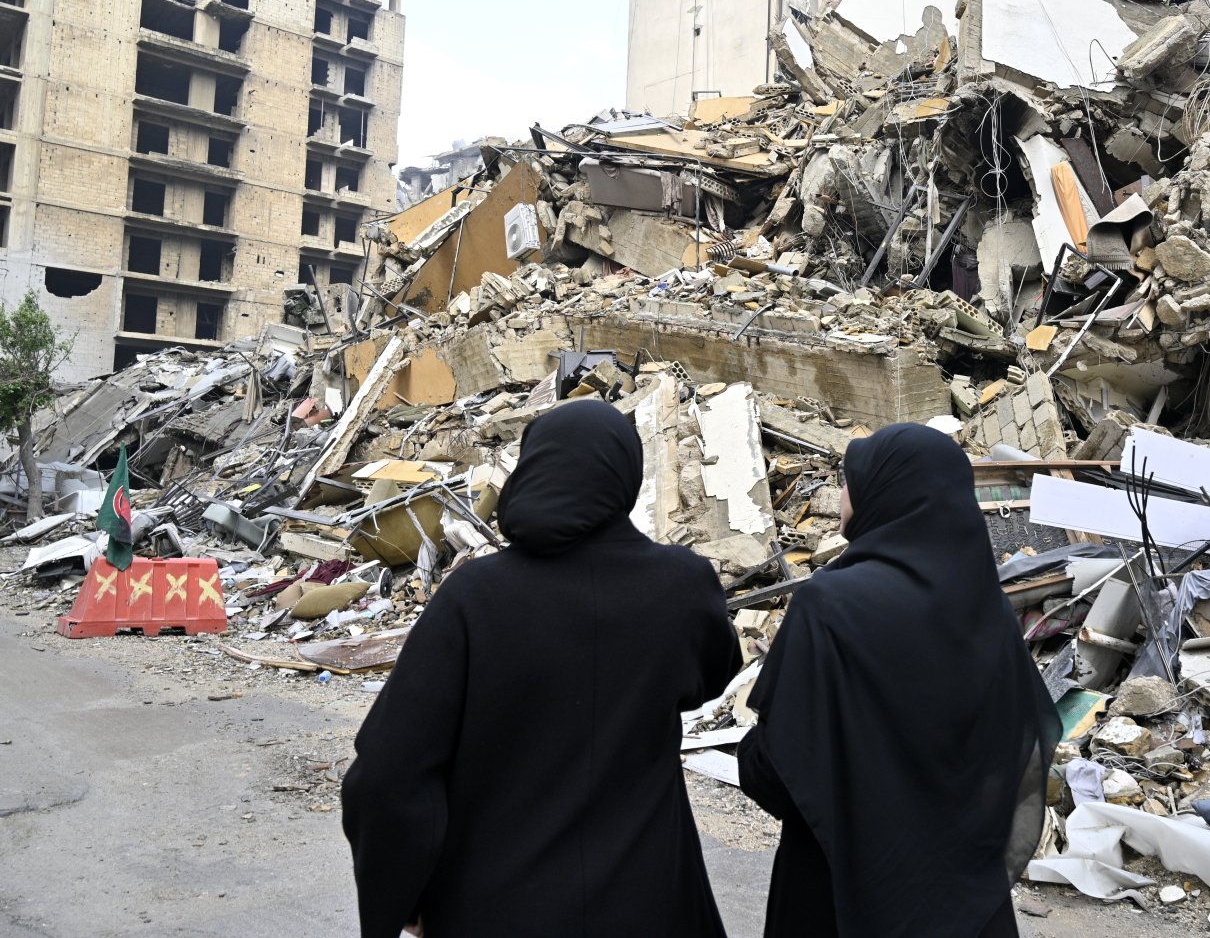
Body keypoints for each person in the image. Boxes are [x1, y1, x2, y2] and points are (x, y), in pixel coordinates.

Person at [342, 399, 742, 938]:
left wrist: (402, 893)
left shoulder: (474, 596)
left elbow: (390, 774)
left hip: (492, 906)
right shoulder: (682, 586)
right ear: (626, 477)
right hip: (650, 901)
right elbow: (710, 678)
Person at [737, 423, 1062, 938]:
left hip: (838, 890)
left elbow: (777, 768)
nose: (842, 494)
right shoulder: (988, 611)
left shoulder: (830, 606)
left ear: (883, 491)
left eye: (849, 481)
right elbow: (1015, 748)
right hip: (964, 904)